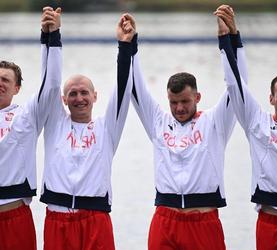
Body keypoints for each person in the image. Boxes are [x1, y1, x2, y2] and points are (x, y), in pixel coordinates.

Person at [126, 5, 247, 249]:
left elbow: (238, 86)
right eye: (173, 102)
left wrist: (230, 39)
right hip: (165, 220)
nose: (179, 108)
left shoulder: (215, 122)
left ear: (198, 97)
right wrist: (130, 44)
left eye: (185, 101)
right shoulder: (159, 121)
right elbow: (135, 87)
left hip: (203, 222)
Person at [39, 8, 135, 250]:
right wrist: (51, 36)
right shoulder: (55, 123)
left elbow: (123, 90)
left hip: (96, 219)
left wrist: (125, 46)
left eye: (84, 93)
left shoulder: (107, 128)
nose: (79, 98)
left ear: (95, 96)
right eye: (72, 93)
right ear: (64, 99)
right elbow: (49, 81)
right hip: (57, 220)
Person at [216, 6, 277, 250]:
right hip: (272, 224)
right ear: (271, 98)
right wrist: (229, 38)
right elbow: (235, 83)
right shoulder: (257, 122)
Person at [0, 7, 63, 250]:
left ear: (17, 88)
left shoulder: (27, 115)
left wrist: (50, 36)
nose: (0, 84)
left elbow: (52, 83)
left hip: (15, 216)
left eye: (5, 80)